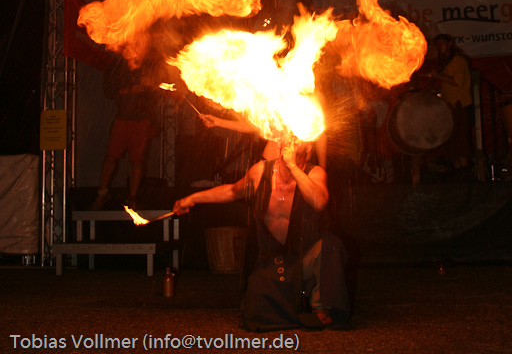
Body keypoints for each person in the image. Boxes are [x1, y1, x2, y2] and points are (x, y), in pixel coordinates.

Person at [173, 138, 350, 330]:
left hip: (303, 255)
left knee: (331, 245)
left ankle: (321, 307)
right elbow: (232, 191)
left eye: (298, 137)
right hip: (271, 258)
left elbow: (319, 202)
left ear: (308, 147)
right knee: (256, 312)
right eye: (288, 135)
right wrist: (193, 198)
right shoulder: (261, 171)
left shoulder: (314, 172)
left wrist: (292, 166)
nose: (291, 140)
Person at [90, 56, 160, 210]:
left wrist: (150, 85)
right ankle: (102, 193)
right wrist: (129, 90)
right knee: (111, 156)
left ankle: (132, 198)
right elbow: (109, 91)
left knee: (137, 160)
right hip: (122, 118)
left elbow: (158, 93)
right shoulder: (117, 67)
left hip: (142, 119)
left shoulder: (149, 65)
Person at [429, 34, 473, 171]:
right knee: (451, 139)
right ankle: (457, 169)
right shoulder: (447, 62)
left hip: (459, 104)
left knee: (460, 137)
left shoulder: (458, 60)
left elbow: (458, 82)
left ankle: (465, 169)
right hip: (449, 105)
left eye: (441, 43)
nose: (439, 47)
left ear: (450, 44)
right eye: (437, 45)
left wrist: (439, 76)